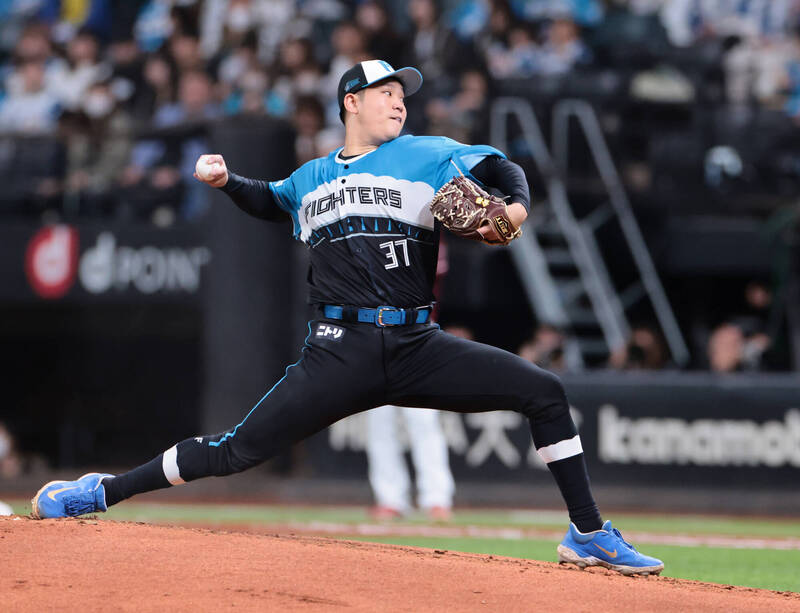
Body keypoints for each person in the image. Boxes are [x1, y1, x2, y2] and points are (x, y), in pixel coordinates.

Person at [31, 59, 663, 577]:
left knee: (544, 391)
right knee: (233, 452)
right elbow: (271, 200)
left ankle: (588, 533)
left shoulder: (427, 153)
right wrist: (227, 182)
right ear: (351, 102)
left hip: (416, 343)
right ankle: (103, 491)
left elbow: (502, 166)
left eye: (403, 97)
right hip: (338, 351)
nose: (399, 104)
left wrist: (515, 209)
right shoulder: (311, 177)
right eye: (386, 94)